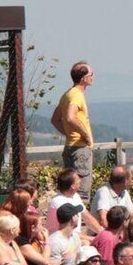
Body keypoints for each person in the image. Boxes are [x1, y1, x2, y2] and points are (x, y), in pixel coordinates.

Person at [51, 62, 95, 201]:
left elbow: (55, 119)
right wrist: (85, 135)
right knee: (80, 192)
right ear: (83, 78)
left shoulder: (67, 94)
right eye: (91, 74)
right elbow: (70, 117)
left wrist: (68, 134)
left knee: (69, 192)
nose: (93, 77)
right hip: (80, 149)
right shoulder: (77, 95)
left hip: (70, 147)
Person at [46, 168, 103, 237]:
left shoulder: (75, 196)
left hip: (73, 239)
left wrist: (102, 232)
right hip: (62, 242)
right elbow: (70, 232)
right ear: (72, 186)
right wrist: (93, 239)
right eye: (78, 179)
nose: (80, 180)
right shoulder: (59, 202)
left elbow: (87, 217)